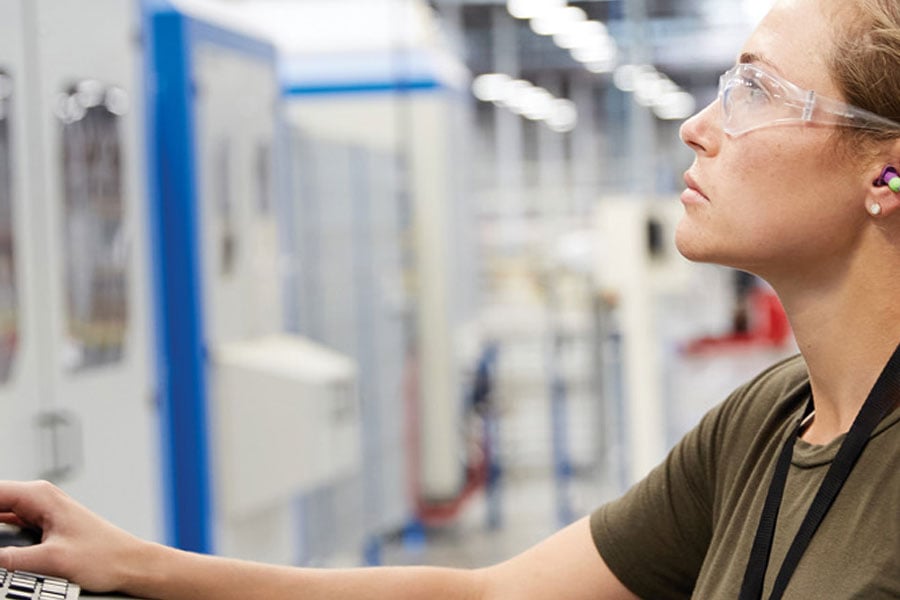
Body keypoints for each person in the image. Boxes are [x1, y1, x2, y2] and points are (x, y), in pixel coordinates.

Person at [2, 0, 899, 597]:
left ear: (887, 171)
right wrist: (135, 564)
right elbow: (491, 592)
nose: (698, 126)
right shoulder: (766, 423)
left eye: (753, 91)